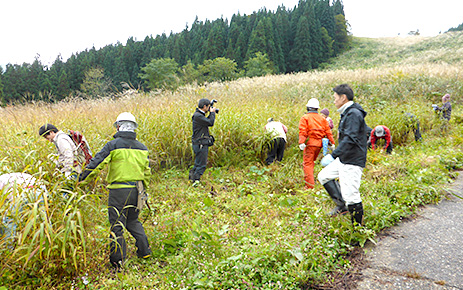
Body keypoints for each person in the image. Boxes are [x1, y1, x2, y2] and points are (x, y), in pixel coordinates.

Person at [78, 112, 151, 270]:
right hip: (137, 191)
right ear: (133, 128)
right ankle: (145, 252)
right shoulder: (142, 148)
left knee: (117, 225)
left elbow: (96, 163)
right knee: (133, 221)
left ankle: (118, 261)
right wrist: (143, 192)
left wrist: (80, 179)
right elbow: (147, 173)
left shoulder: (113, 145)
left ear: (118, 126)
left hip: (119, 191)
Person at [318, 84, 368, 227]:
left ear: (343, 98)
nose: (334, 101)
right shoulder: (349, 112)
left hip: (352, 160)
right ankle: (342, 207)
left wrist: (333, 155)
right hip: (345, 157)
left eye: (335, 98)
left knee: (351, 195)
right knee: (324, 176)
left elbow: (350, 139)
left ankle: (358, 229)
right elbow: (362, 130)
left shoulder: (353, 114)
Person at [299, 98, 335, 190]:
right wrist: (332, 143)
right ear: (317, 108)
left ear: (308, 107)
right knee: (312, 163)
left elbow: (303, 131)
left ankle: (309, 186)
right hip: (319, 145)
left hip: (310, 144)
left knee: (308, 164)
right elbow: (328, 131)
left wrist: (301, 142)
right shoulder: (322, 119)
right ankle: (312, 182)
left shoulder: (305, 118)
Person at [0, 173, 47, 243]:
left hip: (24, 192)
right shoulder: (5, 177)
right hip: (41, 189)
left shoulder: (2, 181)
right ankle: (48, 243)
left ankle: (7, 247)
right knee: (44, 219)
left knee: (8, 220)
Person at [189, 98, 217, 183]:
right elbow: (210, 123)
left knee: (198, 163)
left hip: (199, 143)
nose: (209, 109)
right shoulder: (198, 116)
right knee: (201, 165)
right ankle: (196, 181)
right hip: (200, 144)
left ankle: (192, 179)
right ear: (204, 106)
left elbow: (207, 122)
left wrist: (210, 112)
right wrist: (212, 113)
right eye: (208, 107)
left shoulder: (198, 115)